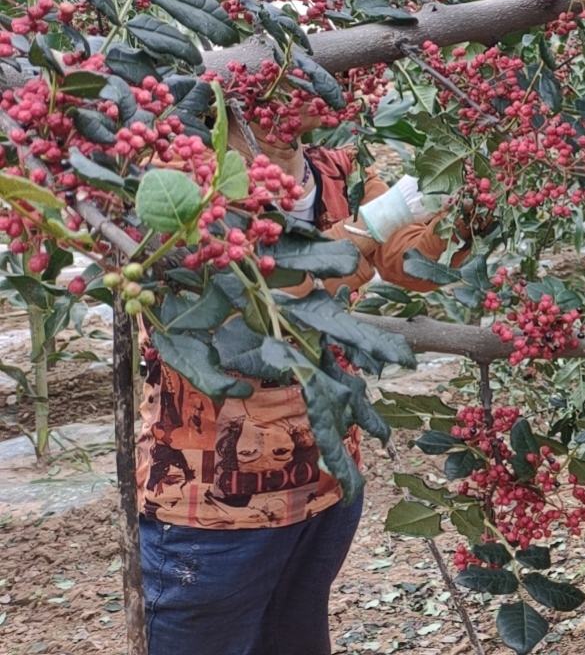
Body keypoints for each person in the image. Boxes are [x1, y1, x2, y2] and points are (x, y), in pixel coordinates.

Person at [135, 106, 457, 655]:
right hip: (213, 511)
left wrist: (450, 209)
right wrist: (362, 232)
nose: (336, 79)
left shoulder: (336, 169)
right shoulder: (182, 178)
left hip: (324, 490)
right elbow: (247, 316)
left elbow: (407, 265)